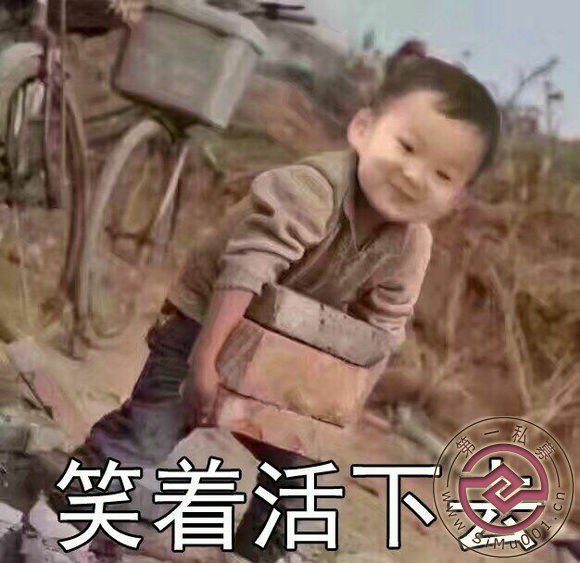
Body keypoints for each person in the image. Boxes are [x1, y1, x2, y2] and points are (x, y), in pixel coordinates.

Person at [45, 40, 501, 561]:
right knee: (151, 430)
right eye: (406, 147)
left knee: (300, 473)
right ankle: (68, 524)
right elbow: (248, 268)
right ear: (363, 129)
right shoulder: (311, 189)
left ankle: (259, 553)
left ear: (458, 198)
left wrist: (337, 410)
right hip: (206, 320)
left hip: (287, 349)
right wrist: (205, 363)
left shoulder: (412, 246)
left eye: (443, 175)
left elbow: (382, 332)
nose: (414, 176)